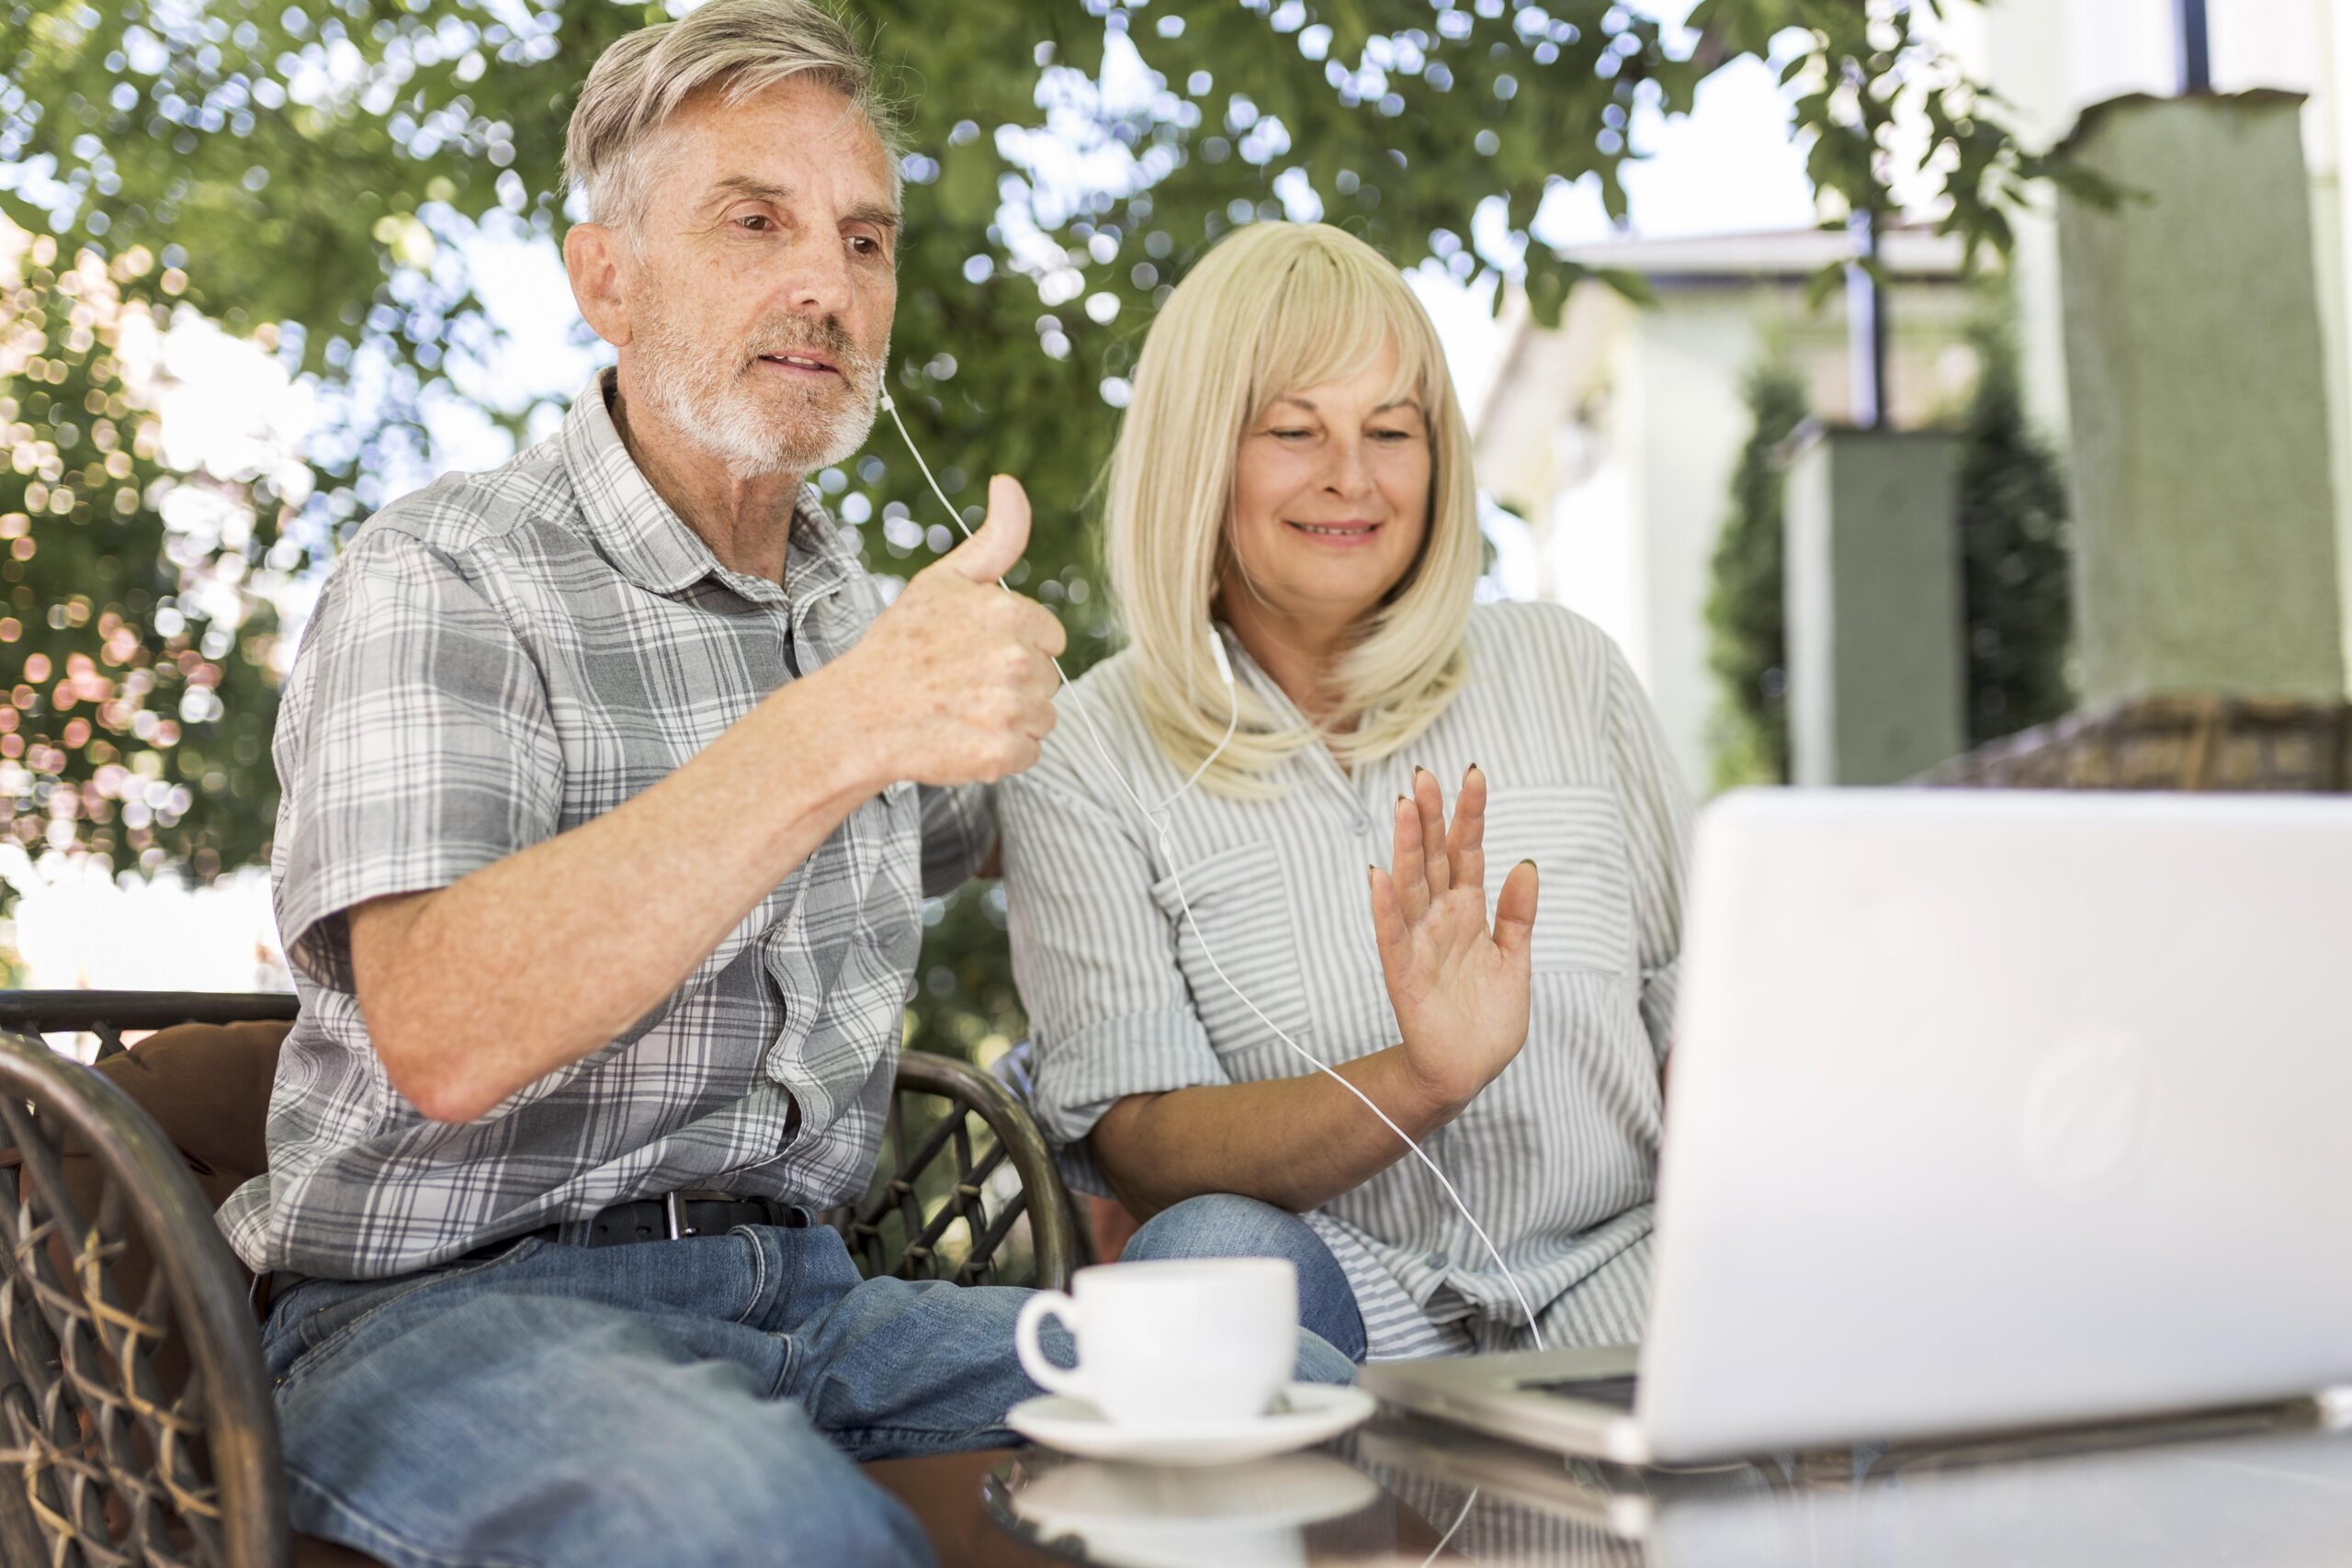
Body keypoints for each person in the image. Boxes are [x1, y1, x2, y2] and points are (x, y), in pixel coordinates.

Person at [226, 7, 1349, 1564]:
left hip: (816, 1303)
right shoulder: (450, 571)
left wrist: (1304, 612)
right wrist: (848, 724)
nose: (827, 284)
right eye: (755, 221)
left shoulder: (861, 622)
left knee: (1303, 1408)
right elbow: (443, 1029)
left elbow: (1097, 814)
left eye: (866, 240)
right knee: (764, 1524)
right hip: (442, 1322)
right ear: (603, 276)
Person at [999, 221, 1693, 1365]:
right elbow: (1142, 1147)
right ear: (1198, 455)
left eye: (1390, 430)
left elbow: (1698, 1017)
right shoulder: (1087, 752)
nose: (1352, 479)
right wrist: (1417, 1081)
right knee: (1206, 1251)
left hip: (1627, 1275)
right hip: (1342, 1317)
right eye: (1292, 432)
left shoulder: (1569, 672)